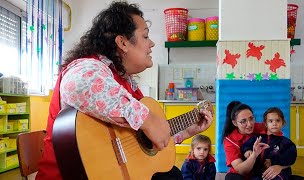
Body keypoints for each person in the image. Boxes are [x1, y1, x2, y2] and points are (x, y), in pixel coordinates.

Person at [35, 1, 213, 180]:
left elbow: (140, 145)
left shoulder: (125, 81)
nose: (151, 43)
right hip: (70, 174)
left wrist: (187, 131)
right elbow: (78, 83)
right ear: (122, 42)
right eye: (145, 36)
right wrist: (147, 119)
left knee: (171, 174)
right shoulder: (89, 66)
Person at [241, 107, 297, 180]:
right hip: (258, 172)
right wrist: (247, 151)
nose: (274, 124)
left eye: (278, 120)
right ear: (265, 124)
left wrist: (273, 161)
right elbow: (246, 145)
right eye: (270, 121)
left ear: (283, 123)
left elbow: (291, 157)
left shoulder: (286, 142)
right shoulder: (257, 138)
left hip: (279, 173)